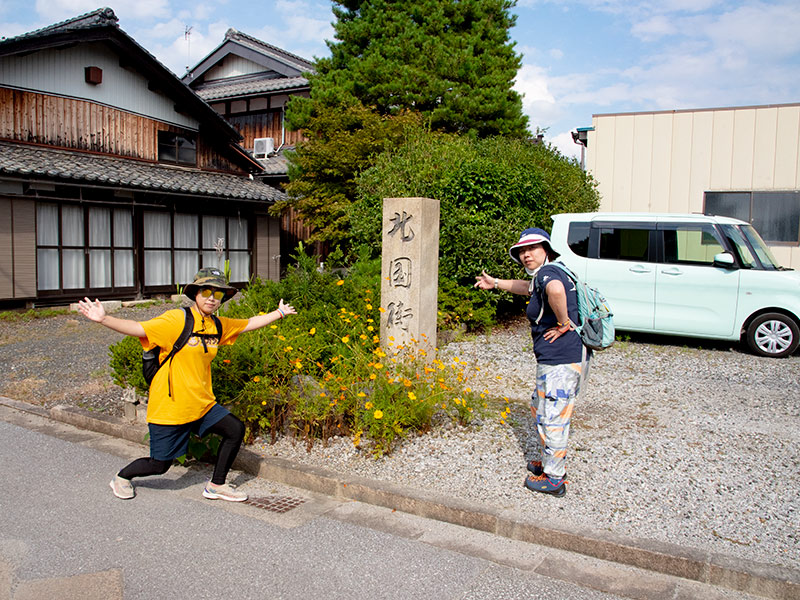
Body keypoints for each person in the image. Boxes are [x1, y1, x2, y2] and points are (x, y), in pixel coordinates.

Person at [78, 267, 297, 502]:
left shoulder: (216, 325)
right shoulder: (176, 320)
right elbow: (138, 328)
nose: (212, 298)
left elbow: (248, 323)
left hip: (201, 404)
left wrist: (279, 313)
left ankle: (216, 485)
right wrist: (104, 319)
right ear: (195, 293)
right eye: (206, 291)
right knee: (160, 464)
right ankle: (121, 477)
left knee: (235, 429)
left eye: (218, 293)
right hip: (170, 407)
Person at [474, 228, 589, 497]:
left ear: (546, 250)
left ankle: (555, 479)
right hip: (556, 359)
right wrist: (497, 283)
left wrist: (563, 324)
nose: (526, 255)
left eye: (532, 249)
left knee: (553, 416)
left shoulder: (550, 276)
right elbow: (528, 288)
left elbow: (556, 291)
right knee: (540, 407)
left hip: (561, 360)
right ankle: (551, 462)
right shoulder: (546, 274)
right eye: (522, 252)